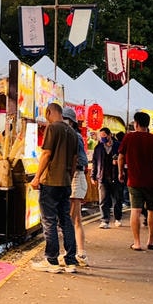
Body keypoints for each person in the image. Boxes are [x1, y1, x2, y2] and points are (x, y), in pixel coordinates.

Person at [30, 102, 80, 273]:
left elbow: (46, 153)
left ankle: (51, 260)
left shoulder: (53, 128)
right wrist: (69, 177)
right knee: (66, 220)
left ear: (50, 112)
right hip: (65, 182)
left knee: (49, 221)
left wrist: (37, 177)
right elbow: (75, 159)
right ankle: (70, 260)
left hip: (50, 181)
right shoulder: (72, 132)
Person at [117, 110, 153, 251]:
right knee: (152, 209)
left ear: (136, 123)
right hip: (152, 181)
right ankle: (151, 240)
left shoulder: (128, 138)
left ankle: (137, 243)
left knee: (136, 210)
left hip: (134, 180)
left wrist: (120, 172)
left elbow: (121, 157)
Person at [63, 106, 91, 267]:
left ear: (71, 122)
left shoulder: (74, 136)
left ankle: (71, 255)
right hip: (76, 178)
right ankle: (80, 253)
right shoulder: (73, 135)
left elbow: (81, 160)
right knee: (76, 220)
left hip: (76, 177)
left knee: (71, 220)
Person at [92, 126, 122, 228]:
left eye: (104, 136)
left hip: (116, 176)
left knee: (117, 199)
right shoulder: (98, 148)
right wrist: (93, 176)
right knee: (103, 200)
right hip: (102, 176)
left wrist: (118, 163)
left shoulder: (118, 146)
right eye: (101, 136)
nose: (103, 138)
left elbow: (124, 159)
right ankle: (104, 220)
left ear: (109, 135)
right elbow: (95, 162)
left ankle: (118, 218)